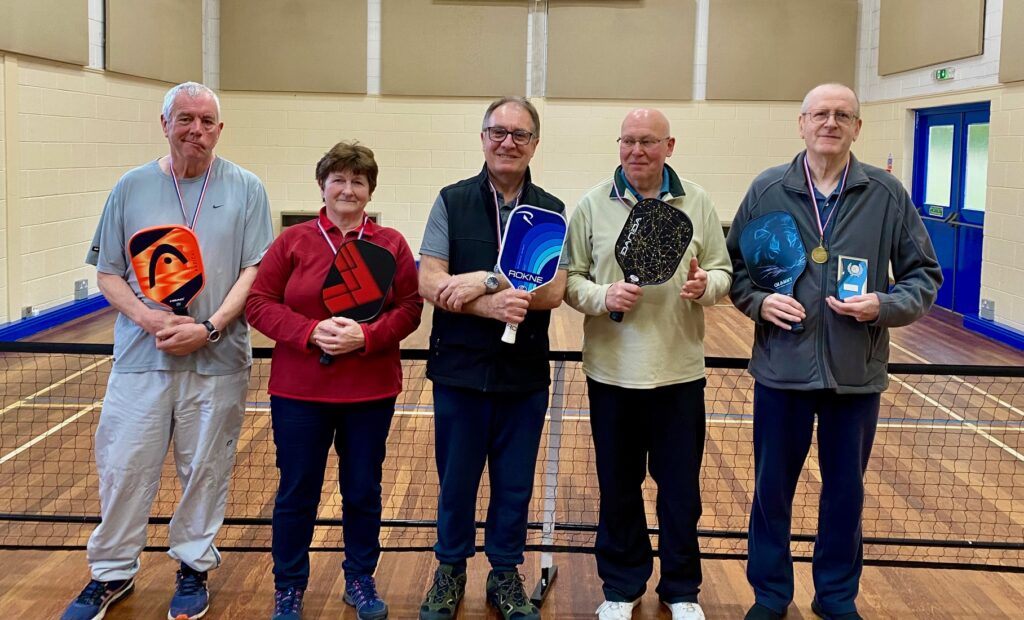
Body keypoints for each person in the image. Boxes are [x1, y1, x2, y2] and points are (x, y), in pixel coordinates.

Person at [726, 83, 941, 620]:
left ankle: (836, 598)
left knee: (845, 495)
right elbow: (736, 271)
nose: (830, 123)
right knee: (771, 494)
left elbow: (923, 275)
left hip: (855, 374)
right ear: (801, 123)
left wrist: (884, 305)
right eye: (820, 114)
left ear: (857, 128)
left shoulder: (886, 193)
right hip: (782, 370)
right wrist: (760, 303)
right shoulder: (767, 189)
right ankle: (771, 596)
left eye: (843, 115)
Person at [61, 82, 273, 620]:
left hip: (218, 360)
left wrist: (211, 328)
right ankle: (111, 572)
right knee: (124, 467)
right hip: (141, 359)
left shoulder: (247, 188)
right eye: (185, 119)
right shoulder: (130, 187)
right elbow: (108, 272)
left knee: (206, 471)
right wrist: (148, 317)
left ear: (219, 129)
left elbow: (255, 270)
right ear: (164, 124)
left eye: (206, 121)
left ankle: (193, 567)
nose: (196, 130)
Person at [564, 109, 732, 620]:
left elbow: (723, 271)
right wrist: (603, 296)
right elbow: (570, 280)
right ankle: (622, 586)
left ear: (669, 146)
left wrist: (706, 286)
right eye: (628, 141)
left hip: (679, 374)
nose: (637, 151)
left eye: (648, 141)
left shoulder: (697, 201)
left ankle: (681, 590)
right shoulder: (591, 204)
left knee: (680, 493)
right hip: (611, 374)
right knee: (618, 488)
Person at [246, 141, 423, 620]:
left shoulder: (391, 244)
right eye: (338, 180)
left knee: (362, 490)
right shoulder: (293, 241)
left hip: (369, 391)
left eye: (358, 181)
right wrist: (309, 332)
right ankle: (289, 586)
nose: (348, 189)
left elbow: (410, 308)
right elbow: (259, 303)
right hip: (298, 392)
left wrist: (366, 336)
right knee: (296, 491)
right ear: (322, 186)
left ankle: (360, 579)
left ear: (370, 191)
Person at [416, 97, 566, 620]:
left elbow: (553, 289)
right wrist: (491, 303)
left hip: (523, 376)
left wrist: (482, 282)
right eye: (498, 132)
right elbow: (430, 281)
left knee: (515, 485)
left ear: (534, 144)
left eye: (520, 134)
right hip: (458, 370)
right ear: (483, 138)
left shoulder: (551, 209)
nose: (508, 142)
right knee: (456, 482)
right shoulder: (451, 201)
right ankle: (450, 571)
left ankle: (505, 575)